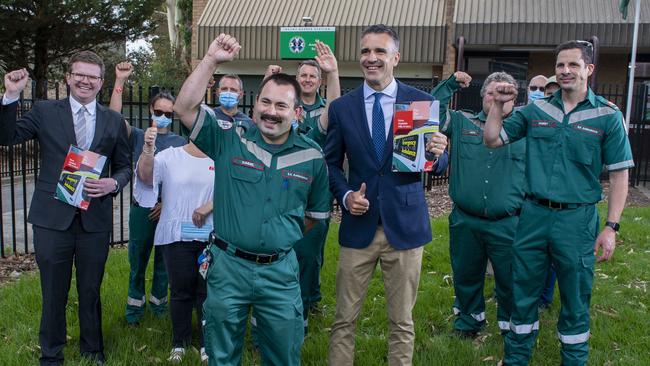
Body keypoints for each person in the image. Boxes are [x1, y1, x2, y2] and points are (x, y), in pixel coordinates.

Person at [173, 34, 331, 366]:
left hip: (281, 272)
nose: (271, 112)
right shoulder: (230, 137)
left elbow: (314, 216)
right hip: (228, 267)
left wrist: (276, 236)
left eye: (281, 106)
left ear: (296, 112)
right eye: (266, 103)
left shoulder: (312, 157)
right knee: (221, 355)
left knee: (283, 356)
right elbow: (184, 107)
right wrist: (211, 60)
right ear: (256, 102)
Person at [484, 40, 634, 366]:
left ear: (589, 70)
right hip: (534, 216)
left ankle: (574, 360)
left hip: (577, 221)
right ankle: (516, 359)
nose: (565, 71)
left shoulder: (607, 115)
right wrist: (496, 105)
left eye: (573, 65)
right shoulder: (537, 109)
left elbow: (620, 175)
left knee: (576, 299)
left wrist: (611, 227)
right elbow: (493, 139)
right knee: (522, 293)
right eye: (560, 65)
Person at [324, 24, 449, 366]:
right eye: (365, 51)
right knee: (343, 319)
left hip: (404, 228)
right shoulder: (343, 108)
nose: (371, 58)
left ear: (396, 57)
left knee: (402, 322)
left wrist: (440, 152)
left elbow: (434, 166)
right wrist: (346, 195)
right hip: (358, 227)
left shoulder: (421, 103)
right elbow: (331, 165)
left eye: (379, 51)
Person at [0, 51, 132, 365]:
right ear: (68, 78)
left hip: (94, 221)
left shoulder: (113, 120)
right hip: (51, 219)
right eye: (79, 74)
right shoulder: (45, 111)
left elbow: (124, 166)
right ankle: (51, 353)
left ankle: (92, 349)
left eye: (92, 76)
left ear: (101, 82)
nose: (85, 81)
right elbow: (7, 137)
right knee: (53, 291)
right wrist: (10, 95)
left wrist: (113, 184)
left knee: (90, 290)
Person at [432, 71, 526, 339]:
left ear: (513, 98)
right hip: (466, 220)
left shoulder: (524, 130)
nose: (496, 98)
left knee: (509, 280)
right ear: (483, 95)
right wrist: (449, 84)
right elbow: (432, 112)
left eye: (503, 93)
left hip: (508, 222)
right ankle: (469, 322)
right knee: (466, 275)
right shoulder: (463, 121)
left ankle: (510, 327)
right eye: (491, 92)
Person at [264, 41, 341, 329]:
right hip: (279, 190)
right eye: (303, 75)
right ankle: (271, 309)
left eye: (313, 75)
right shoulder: (282, 112)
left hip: (310, 191)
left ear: (319, 81)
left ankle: (305, 307)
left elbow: (334, 110)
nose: (307, 79)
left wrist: (333, 73)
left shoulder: (322, 116)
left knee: (309, 254)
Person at [109, 61, 187, 325]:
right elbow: (114, 119)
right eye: (158, 111)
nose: (163, 116)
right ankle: (134, 311)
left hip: (168, 210)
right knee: (137, 262)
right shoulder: (139, 136)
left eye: (168, 113)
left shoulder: (180, 143)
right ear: (150, 110)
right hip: (142, 209)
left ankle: (159, 308)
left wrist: (166, 203)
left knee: (164, 265)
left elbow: (183, 179)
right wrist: (119, 82)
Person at [135, 126, 214, 364]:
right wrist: (148, 150)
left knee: (206, 292)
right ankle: (179, 342)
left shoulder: (219, 157)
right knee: (180, 291)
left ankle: (205, 343)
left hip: (210, 237)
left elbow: (232, 190)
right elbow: (146, 178)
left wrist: (209, 206)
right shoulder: (170, 156)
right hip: (176, 235)